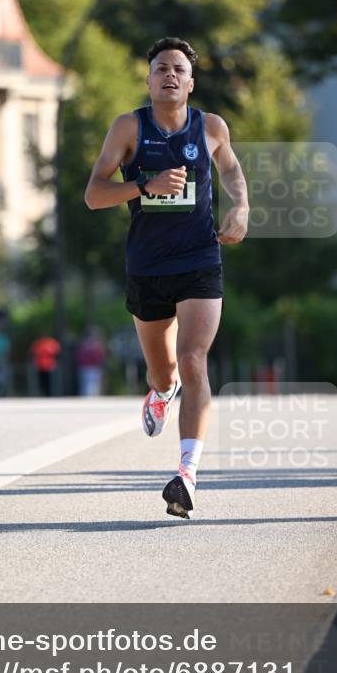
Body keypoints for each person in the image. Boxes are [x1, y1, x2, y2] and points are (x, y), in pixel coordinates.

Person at [84, 37, 249, 518]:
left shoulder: (212, 127)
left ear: (191, 82)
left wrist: (241, 206)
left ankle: (187, 475)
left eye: (179, 69)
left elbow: (232, 171)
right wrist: (143, 186)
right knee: (166, 371)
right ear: (150, 79)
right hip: (147, 266)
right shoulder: (128, 127)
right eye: (161, 68)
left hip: (200, 260)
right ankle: (160, 392)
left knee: (194, 358)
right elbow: (94, 195)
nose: (170, 75)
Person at [76, 327, 106, 396]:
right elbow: (99, 358)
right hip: (93, 368)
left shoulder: (83, 346)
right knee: (93, 385)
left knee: (85, 385)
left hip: (84, 368)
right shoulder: (95, 346)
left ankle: (87, 398)